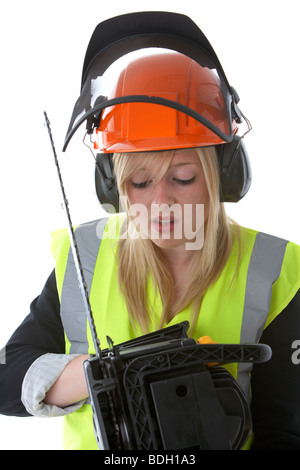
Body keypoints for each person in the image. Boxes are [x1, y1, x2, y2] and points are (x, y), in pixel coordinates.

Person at [0, 11, 299, 451]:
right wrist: (101, 373)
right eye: (139, 183)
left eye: (182, 178)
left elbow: (287, 431)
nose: (160, 203)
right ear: (111, 183)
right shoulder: (85, 255)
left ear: (225, 173)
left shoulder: (278, 271)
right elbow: (9, 378)